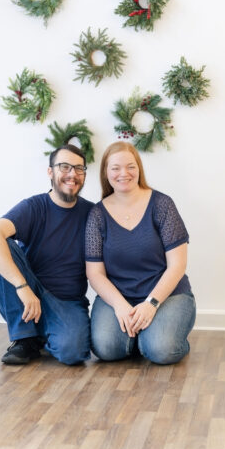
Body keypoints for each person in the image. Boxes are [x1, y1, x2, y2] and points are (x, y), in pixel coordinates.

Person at [0, 145, 94, 366]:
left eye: (79, 168)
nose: (72, 174)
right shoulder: (33, 207)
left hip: (67, 301)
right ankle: (25, 338)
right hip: (29, 291)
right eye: (65, 167)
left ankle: (43, 331)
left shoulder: (92, 213)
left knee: (73, 352)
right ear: (50, 172)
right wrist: (22, 287)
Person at [85, 141, 196, 366]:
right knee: (105, 348)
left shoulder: (162, 204)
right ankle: (141, 337)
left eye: (130, 166)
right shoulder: (97, 214)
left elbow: (177, 265)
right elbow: (95, 273)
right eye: (115, 168)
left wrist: (151, 304)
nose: (123, 173)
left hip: (166, 295)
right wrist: (120, 305)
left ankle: (153, 338)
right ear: (106, 172)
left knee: (161, 350)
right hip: (119, 296)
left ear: (139, 169)